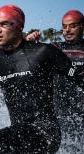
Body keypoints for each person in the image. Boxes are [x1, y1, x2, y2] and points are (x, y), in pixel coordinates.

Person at [0, 5, 84, 153]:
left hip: (47, 130)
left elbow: (80, 78)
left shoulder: (43, 52)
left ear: (19, 26)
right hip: (20, 132)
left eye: (4, 24)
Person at [26, 9, 84, 152]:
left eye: (73, 25)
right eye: (64, 26)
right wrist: (30, 43)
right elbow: (28, 58)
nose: (67, 30)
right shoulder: (55, 48)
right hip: (58, 110)